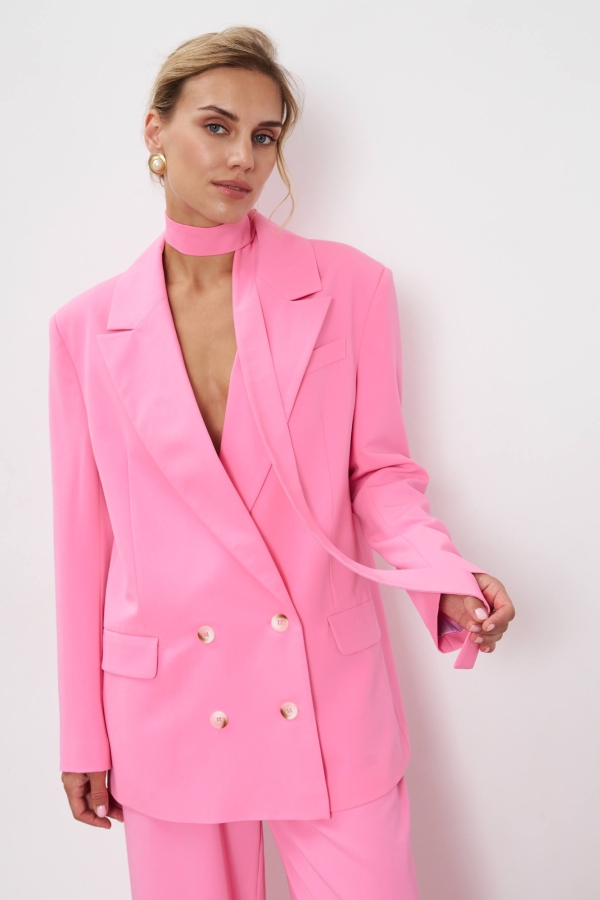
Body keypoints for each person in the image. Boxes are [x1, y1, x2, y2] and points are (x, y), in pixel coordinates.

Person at [48, 25, 515, 900]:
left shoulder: (350, 287)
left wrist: (442, 576)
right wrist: (83, 732)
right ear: (155, 129)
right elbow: (83, 544)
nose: (245, 158)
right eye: (216, 126)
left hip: (324, 690)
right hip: (169, 703)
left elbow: (378, 475)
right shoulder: (85, 330)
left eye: (265, 136)